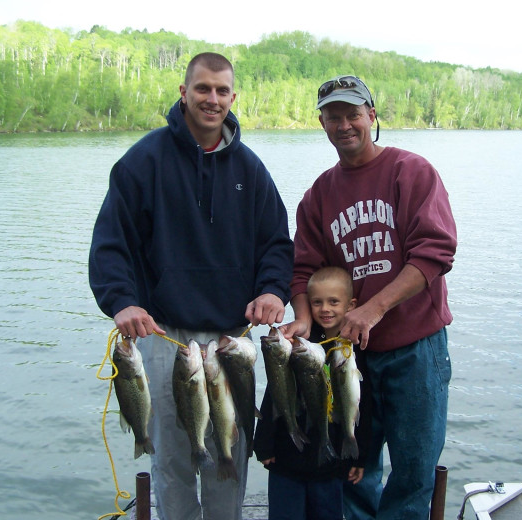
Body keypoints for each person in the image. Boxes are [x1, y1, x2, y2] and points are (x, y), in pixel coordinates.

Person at [89, 52, 293, 520]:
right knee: (173, 461)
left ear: (233, 97)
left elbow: (277, 243)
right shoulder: (143, 161)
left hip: (231, 340)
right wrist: (121, 301)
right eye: (203, 88)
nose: (212, 99)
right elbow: (110, 242)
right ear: (184, 92)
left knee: (229, 452)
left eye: (222, 91)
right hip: (164, 336)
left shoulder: (252, 170)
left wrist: (272, 291)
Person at [280, 75, 457, 520]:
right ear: (321, 123)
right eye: (333, 116)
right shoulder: (319, 195)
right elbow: (302, 268)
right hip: (346, 356)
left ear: (371, 117)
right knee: (352, 467)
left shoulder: (411, 171)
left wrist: (374, 308)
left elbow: (436, 251)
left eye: (353, 114)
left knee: (413, 471)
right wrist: (302, 318)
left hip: (414, 352)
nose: (344, 125)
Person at [254, 266, 368, 520]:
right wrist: (264, 443)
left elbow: (362, 407)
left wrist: (361, 458)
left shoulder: (354, 352)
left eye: (333, 302)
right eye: (317, 302)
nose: (325, 309)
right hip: (287, 462)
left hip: (332, 466)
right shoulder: (298, 348)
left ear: (351, 306)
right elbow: (276, 392)